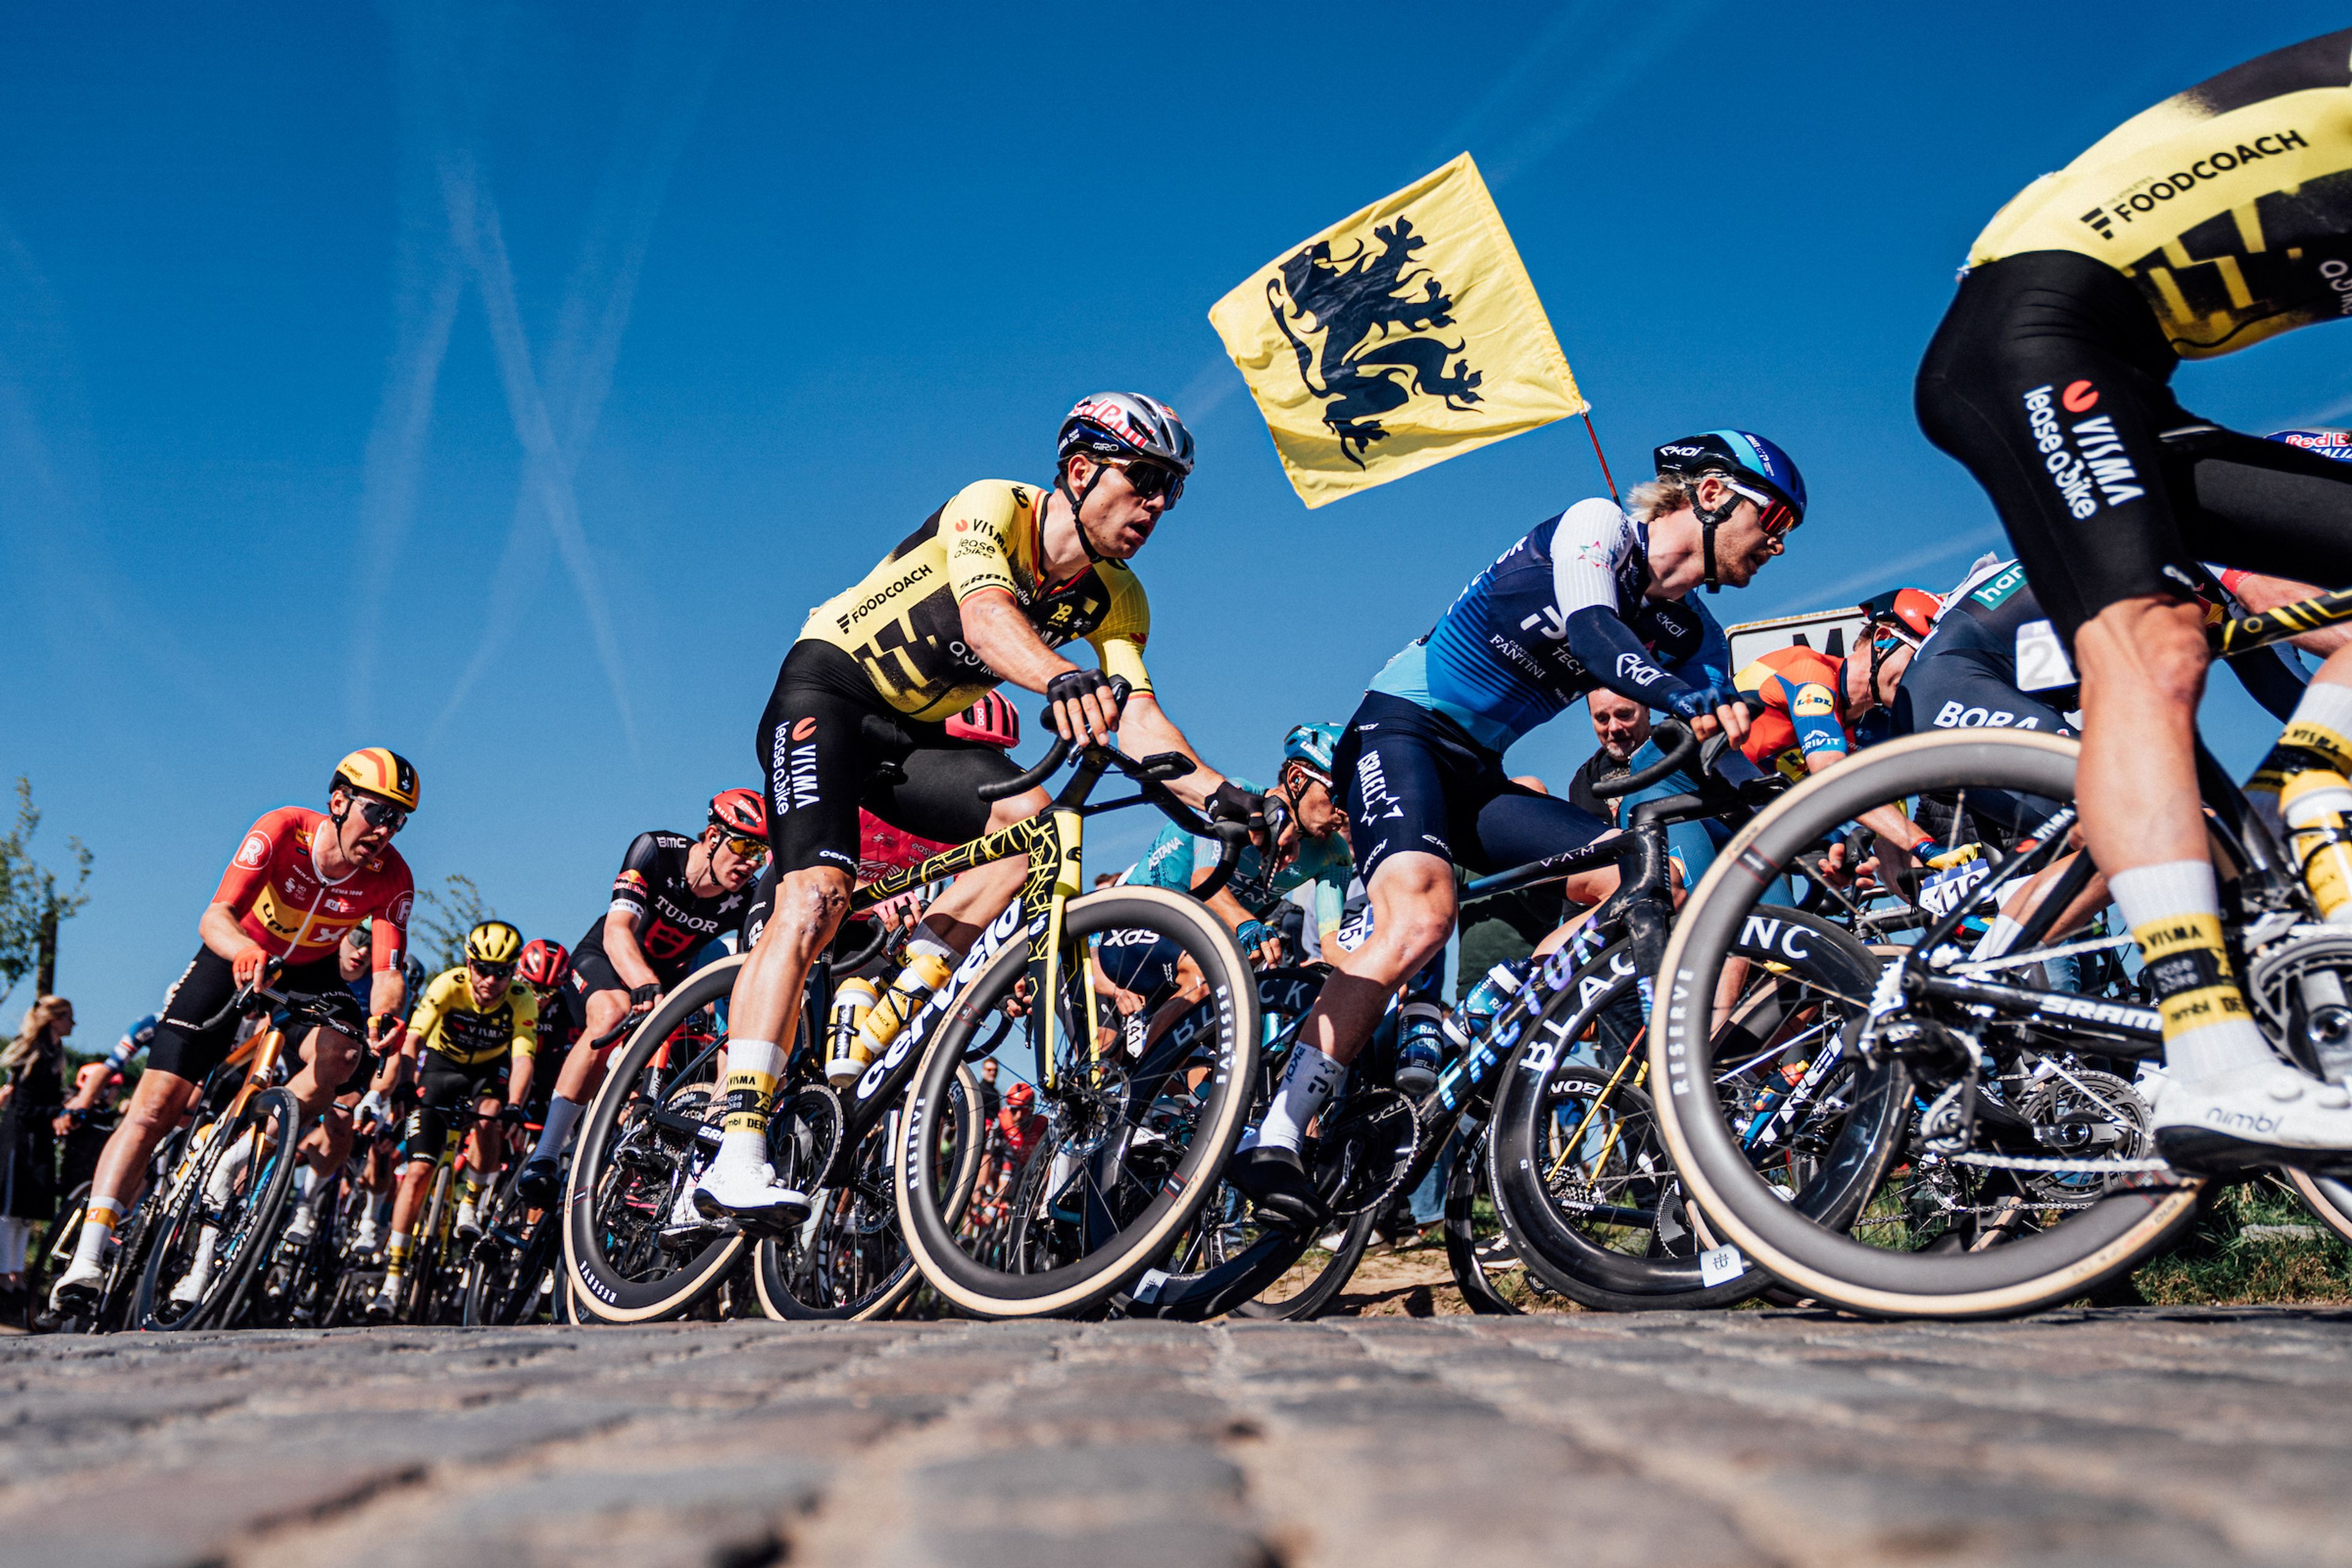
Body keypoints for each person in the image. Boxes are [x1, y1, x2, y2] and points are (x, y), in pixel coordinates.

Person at [1913, 29, 2352, 1171]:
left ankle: (2301, 801)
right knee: (2155, 651)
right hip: (2030, 336)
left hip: (2125, 373)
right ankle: (2211, 1060)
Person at [706, 393, 1257, 1225]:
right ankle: (734, 1148)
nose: (1156, 505)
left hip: (913, 734)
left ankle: (896, 1005)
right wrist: (1061, 677)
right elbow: (988, 616)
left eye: (1170, 490)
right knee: (815, 898)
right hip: (829, 691)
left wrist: (1220, 794)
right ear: (1081, 470)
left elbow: (1140, 717)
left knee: (1033, 832)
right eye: (1144, 480)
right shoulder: (994, 507)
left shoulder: (1120, 597)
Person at [1231, 431, 1804, 1226]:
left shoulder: (1695, 635)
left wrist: (1797, 810)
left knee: (1652, 881)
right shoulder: (1598, 528)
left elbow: (1715, 753)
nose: (1780, 543)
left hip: (1477, 775)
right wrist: (1682, 697)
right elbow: (1597, 634)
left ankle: (1499, 1004)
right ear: (1710, 494)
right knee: (1422, 915)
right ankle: (1277, 1133)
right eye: (1774, 519)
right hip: (1402, 731)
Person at [48, 748, 420, 1316]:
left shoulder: (393, 876)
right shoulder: (282, 830)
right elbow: (215, 915)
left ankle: (238, 1156)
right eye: (378, 812)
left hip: (311, 973)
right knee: (154, 1109)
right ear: (339, 801)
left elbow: (388, 973)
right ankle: (88, 1256)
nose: (386, 830)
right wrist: (245, 950)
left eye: (399, 820)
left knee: (344, 1056)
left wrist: (386, 1018)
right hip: (234, 954)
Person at [511, 792, 767, 1205]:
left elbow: (750, 966)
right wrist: (644, 982)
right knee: (612, 1013)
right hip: (608, 960)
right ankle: (546, 1155)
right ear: (713, 837)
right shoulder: (655, 851)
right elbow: (617, 930)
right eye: (745, 847)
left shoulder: (746, 895)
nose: (752, 863)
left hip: (665, 982)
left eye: (761, 854)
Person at [1099, 722, 1355, 1053]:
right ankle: (1146, 1084)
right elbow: (1204, 882)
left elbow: (1331, 945)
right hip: (1139, 925)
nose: (1345, 812)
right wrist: (1247, 923)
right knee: (1207, 979)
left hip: (1200, 942)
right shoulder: (1238, 797)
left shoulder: (1334, 854)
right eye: (1338, 795)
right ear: (1296, 779)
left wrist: (1378, 976)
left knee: (1226, 1044)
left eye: (1354, 800)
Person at [368, 920, 537, 1319]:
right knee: (417, 1172)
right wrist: (405, 1085)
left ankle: (471, 1203)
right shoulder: (449, 985)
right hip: (441, 1070)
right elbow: (413, 1040)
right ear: (469, 964)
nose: (491, 980)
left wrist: (515, 1105)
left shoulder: (522, 998)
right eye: (483, 969)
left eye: (502, 972)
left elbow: (522, 1058)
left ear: (513, 971)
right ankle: (392, 1280)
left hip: (487, 1074)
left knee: (492, 1115)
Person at [0, 995, 74, 1319]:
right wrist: (61, 1109)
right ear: (54, 1018)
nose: (73, 1024)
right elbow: (26, 1108)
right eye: (68, 1017)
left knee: (25, 1215)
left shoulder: (54, 1054)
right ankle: (5, 1276)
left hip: (38, 1142)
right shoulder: (33, 1055)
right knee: (9, 1211)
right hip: (20, 1141)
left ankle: (15, 1277)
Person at [1566, 688, 1651, 822]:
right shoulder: (1584, 782)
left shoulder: (1678, 745)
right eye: (1602, 719)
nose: (1614, 727)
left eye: (1624, 715)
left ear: (1646, 709)